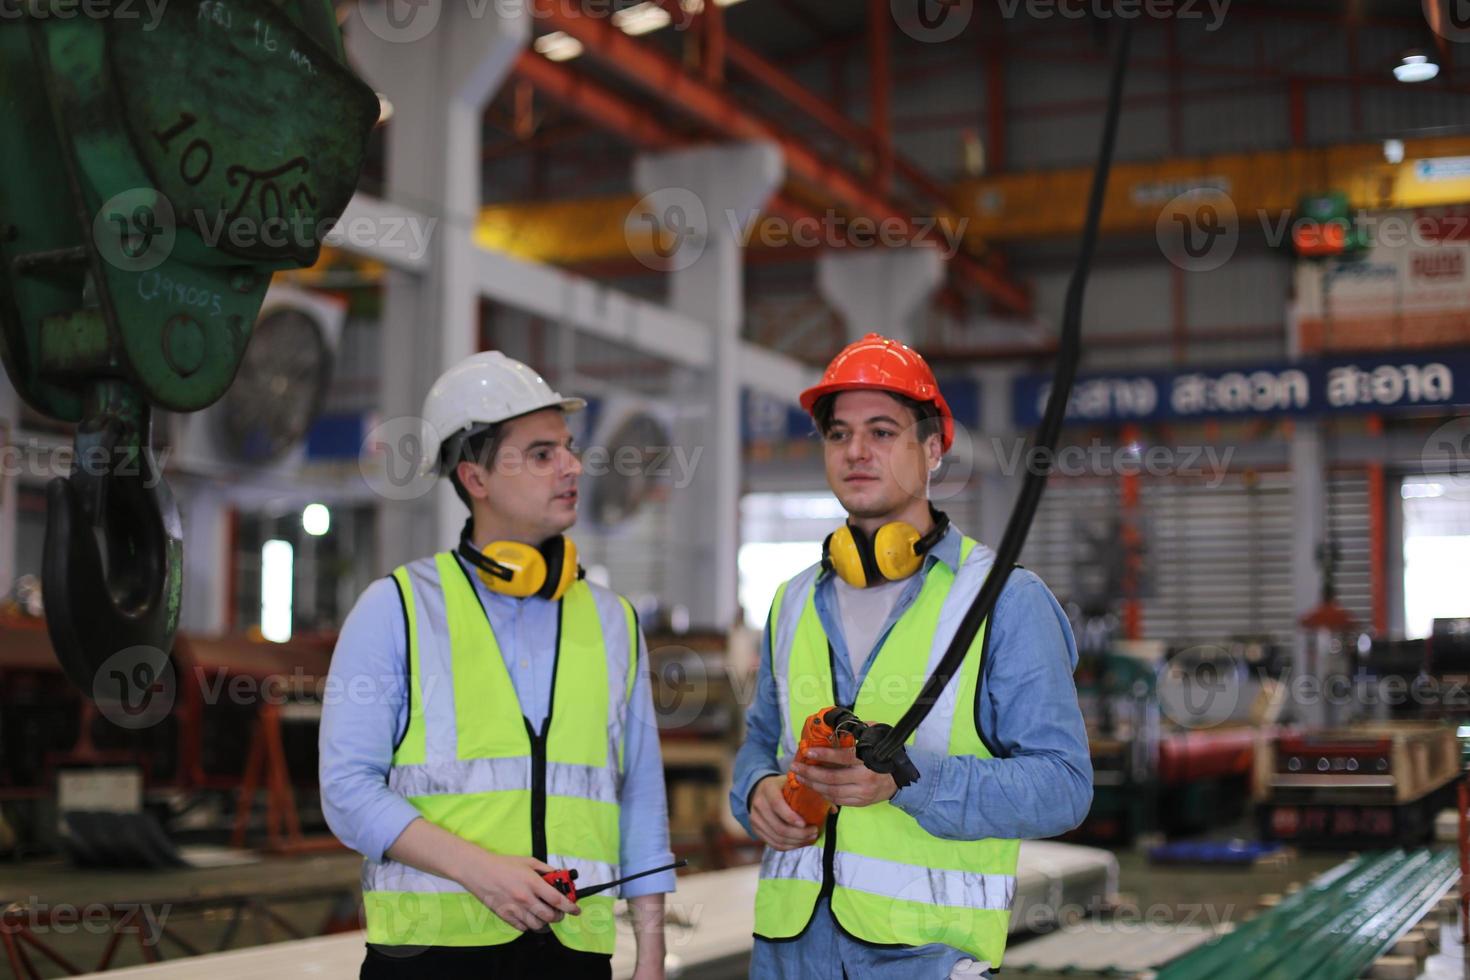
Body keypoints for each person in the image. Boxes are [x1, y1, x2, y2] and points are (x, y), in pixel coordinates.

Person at [730, 333, 1092, 980]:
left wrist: (909, 780)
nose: (856, 452)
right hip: (788, 953)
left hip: (924, 956)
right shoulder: (791, 602)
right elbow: (761, 740)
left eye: (882, 432)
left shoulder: (1003, 600)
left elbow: (1064, 788)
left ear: (932, 450)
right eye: (838, 434)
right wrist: (753, 788)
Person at [321, 351, 674, 979]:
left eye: (567, 448)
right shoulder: (397, 609)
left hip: (574, 954)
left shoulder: (612, 619)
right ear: (475, 479)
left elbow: (640, 793)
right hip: (431, 957)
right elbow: (347, 791)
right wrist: (481, 872)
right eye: (542, 454)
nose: (571, 467)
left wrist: (651, 953)